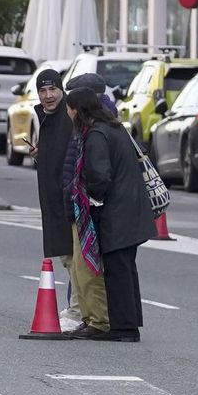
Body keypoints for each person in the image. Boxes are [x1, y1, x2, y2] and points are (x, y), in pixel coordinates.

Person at [66, 87, 152, 342]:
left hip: (118, 210)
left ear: (78, 110)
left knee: (116, 269)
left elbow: (99, 175)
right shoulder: (114, 127)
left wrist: (95, 199)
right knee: (125, 268)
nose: (68, 114)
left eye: (69, 109)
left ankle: (123, 329)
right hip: (132, 207)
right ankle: (128, 323)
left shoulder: (96, 135)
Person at [32, 70, 107, 335]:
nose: (48, 95)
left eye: (53, 90)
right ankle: (79, 309)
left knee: (76, 258)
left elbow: (75, 158)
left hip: (70, 199)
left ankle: (79, 311)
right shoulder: (50, 117)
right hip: (56, 197)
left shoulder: (67, 117)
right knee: (68, 257)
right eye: (42, 91)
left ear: (62, 92)